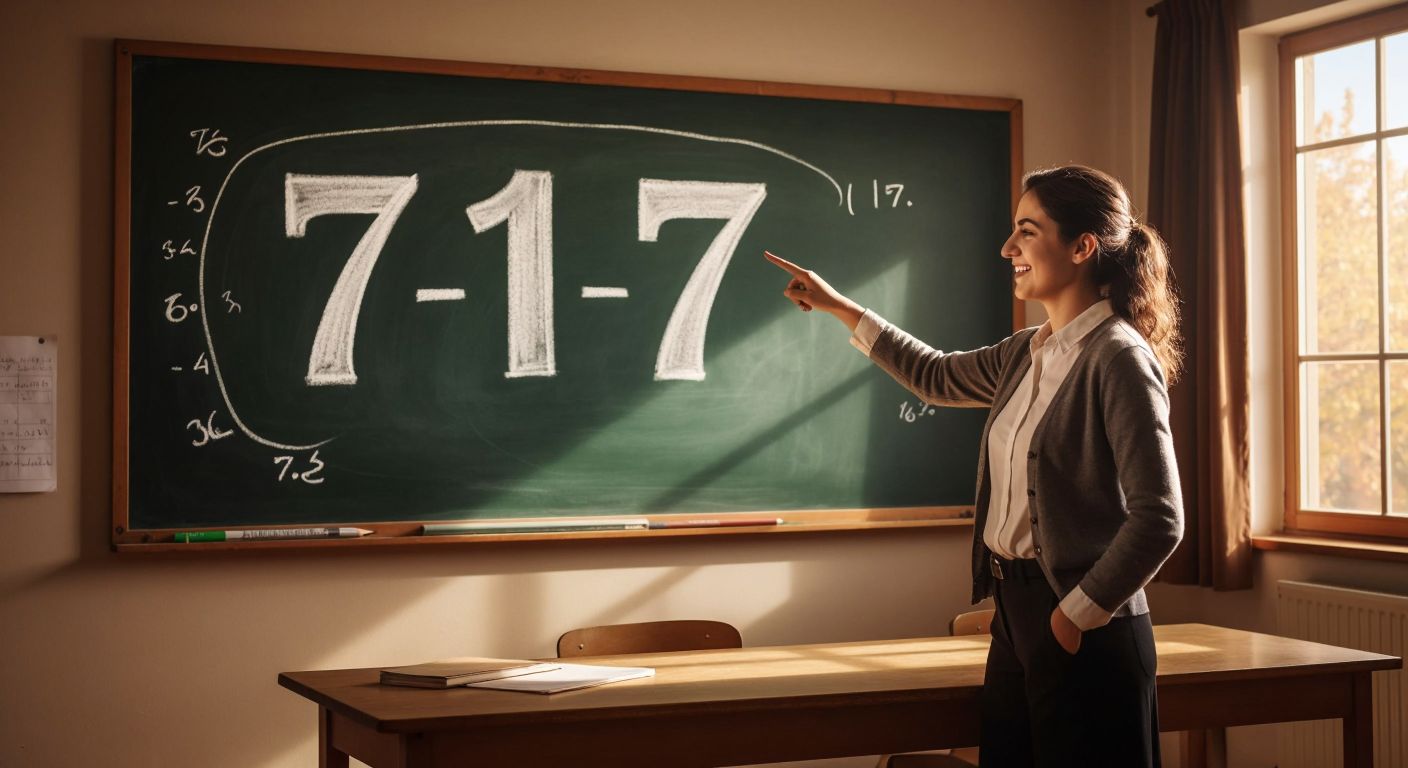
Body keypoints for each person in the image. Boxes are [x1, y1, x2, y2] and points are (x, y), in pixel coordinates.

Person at [766, 164, 1185, 768]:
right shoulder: (1027, 352)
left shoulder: (1117, 358)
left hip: (1083, 626)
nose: (1007, 248)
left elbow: (1160, 517)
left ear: (1082, 246)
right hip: (1015, 618)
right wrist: (838, 307)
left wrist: (1075, 614)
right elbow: (934, 375)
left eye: (1027, 231)